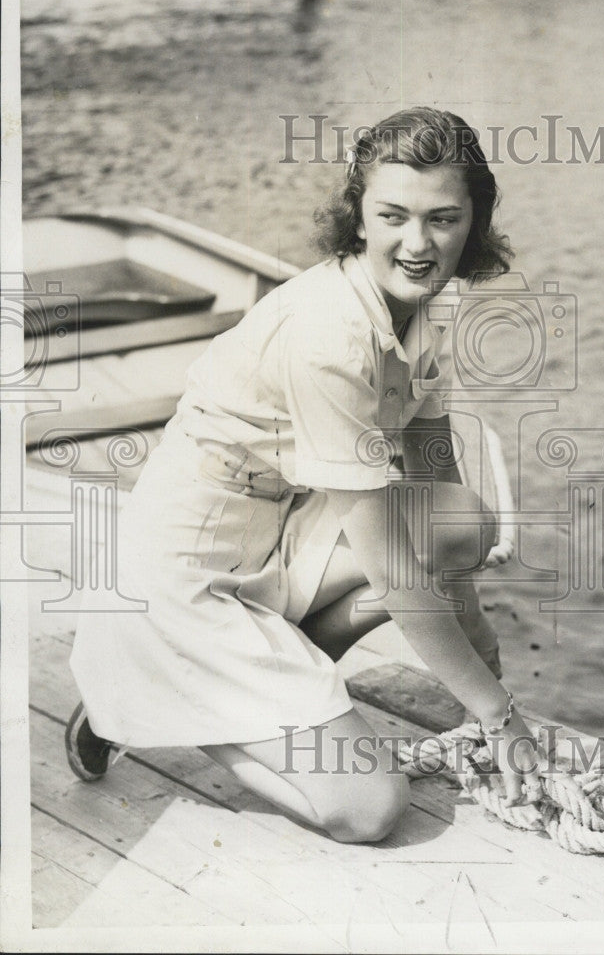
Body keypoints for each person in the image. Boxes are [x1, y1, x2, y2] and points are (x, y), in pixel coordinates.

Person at [66, 106, 546, 844]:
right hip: (182, 569)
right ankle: (150, 703)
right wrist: (496, 712)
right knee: (369, 811)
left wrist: (479, 658)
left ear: (472, 221)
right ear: (357, 217)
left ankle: (263, 682)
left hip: (278, 531)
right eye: (392, 215)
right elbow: (391, 567)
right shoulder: (330, 333)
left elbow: (433, 480)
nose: (417, 245)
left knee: (461, 522)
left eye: (442, 219)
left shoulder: (430, 304)